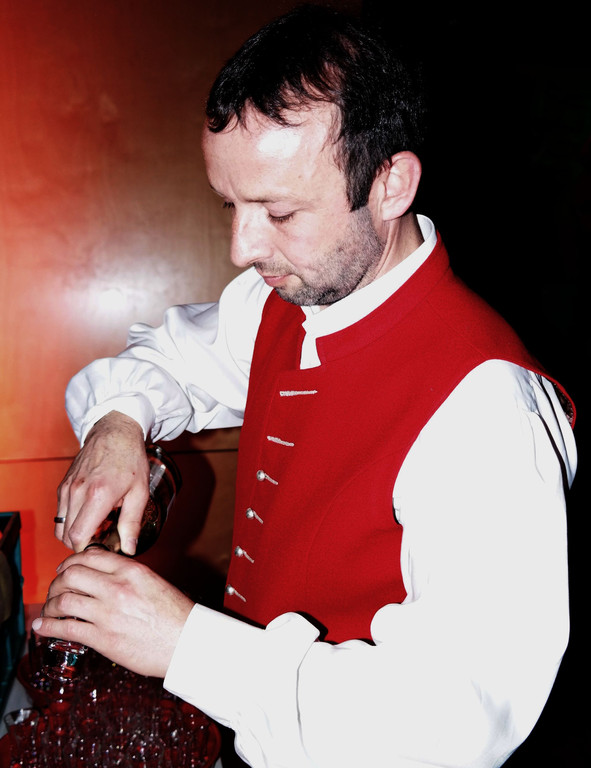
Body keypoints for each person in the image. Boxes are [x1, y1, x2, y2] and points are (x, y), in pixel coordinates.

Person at [33, 5, 577, 767]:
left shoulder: (487, 409)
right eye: (231, 204)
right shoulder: (282, 299)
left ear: (390, 184)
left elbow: (455, 726)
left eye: (279, 211)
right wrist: (116, 426)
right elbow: (165, 359)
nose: (241, 247)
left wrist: (187, 646)